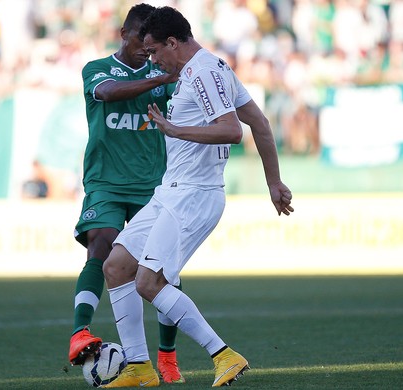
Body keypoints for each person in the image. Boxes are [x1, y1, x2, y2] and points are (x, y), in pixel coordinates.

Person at [101, 6, 294, 388]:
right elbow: (260, 123)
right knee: (116, 267)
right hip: (170, 191)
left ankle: (223, 354)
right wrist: (273, 182)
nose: (153, 60)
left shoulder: (204, 72)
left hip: (194, 195)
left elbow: (233, 131)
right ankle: (139, 367)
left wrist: (173, 128)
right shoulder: (211, 68)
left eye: (155, 51)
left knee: (148, 283)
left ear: (173, 42)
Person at [68, 3, 185, 384]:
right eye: (140, 40)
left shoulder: (164, 69)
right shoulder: (97, 69)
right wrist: (156, 80)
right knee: (100, 245)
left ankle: (166, 355)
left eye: (150, 44)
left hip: (154, 185)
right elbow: (109, 93)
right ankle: (80, 333)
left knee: (163, 268)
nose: (144, 49)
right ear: (124, 33)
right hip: (106, 182)